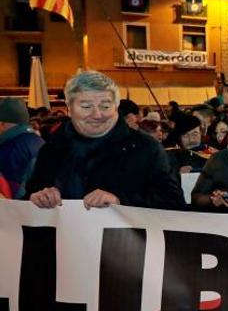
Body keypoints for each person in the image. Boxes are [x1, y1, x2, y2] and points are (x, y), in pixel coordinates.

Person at [27, 70, 184, 210]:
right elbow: (29, 197)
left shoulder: (147, 149)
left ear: (116, 106)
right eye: (86, 106)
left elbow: (173, 203)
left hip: (123, 241)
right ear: (69, 107)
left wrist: (120, 201)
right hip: (65, 241)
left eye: (105, 106)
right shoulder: (52, 149)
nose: (97, 115)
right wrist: (38, 198)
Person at [0, 98, 44, 199]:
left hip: (19, 209)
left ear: (2, 123)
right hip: (42, 208)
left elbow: (9, 191)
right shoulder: (40, 141)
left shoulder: (9, 148)